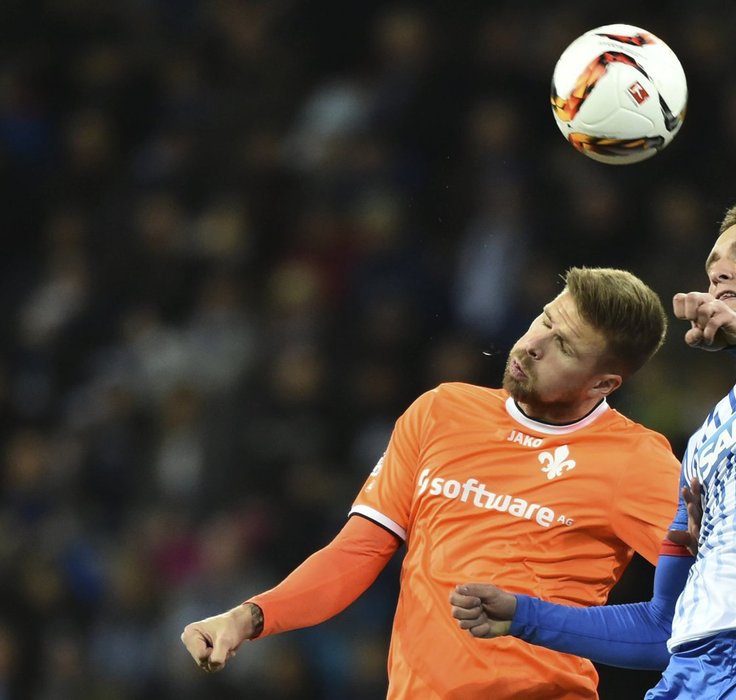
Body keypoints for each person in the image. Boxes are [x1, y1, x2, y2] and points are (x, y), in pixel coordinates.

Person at [451, 201, 736, 698]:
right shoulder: (705, 441)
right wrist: (525, 615)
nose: (719, 269)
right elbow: (662, 626)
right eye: (713, 262)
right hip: (694, 674)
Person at [180, 266, 686, 699]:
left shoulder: (636, 461)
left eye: (564, 347)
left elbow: (714, 603)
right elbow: (356, 553)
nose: (533, 345)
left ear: (603, 384)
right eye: (545, 319)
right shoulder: (442, 411)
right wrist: (246, 619)